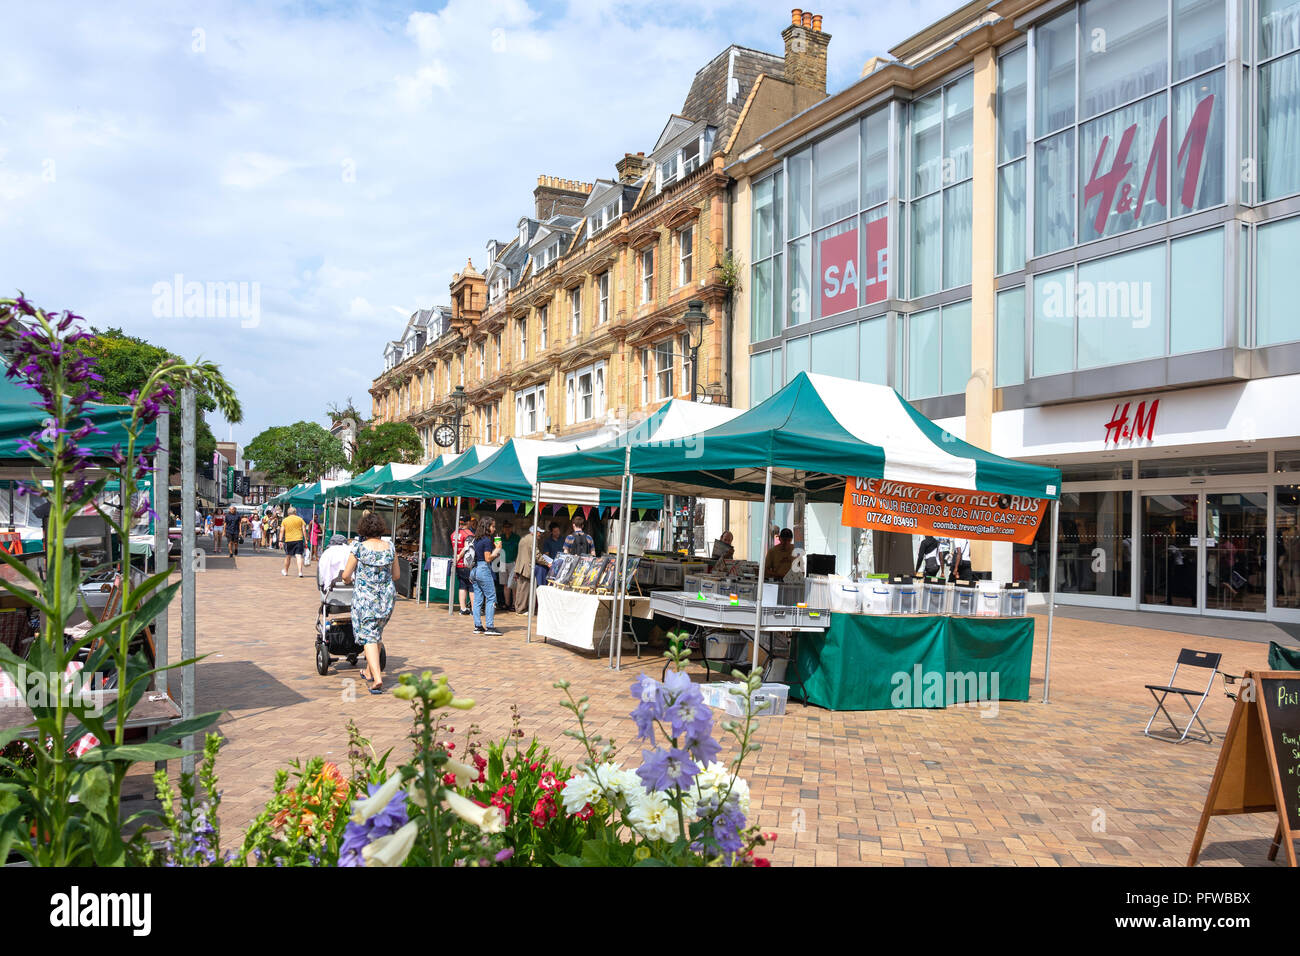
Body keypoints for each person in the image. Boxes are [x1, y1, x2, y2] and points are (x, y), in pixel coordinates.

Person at [340, 511, 399, 695]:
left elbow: (346, 575)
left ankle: (377, 679)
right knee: (376, 632)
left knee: (369, 636)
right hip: (386, 598)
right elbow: (396, 575)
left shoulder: (359, 548)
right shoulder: (390, 547)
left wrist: (348, 580)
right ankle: (368, 671)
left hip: (366, 598)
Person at [469, 516, 503, 636]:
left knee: (478, 599)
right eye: (493, 526)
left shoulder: (477, 539)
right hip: (483, 569)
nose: (494, 528)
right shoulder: (487, 541)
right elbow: (488, 558)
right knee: (491, 598)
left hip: (474, 570)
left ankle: (478, 626)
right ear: (487, 527)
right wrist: (497, 549)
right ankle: (490, 626)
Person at [451, 515, 476, 615]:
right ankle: (474, 610)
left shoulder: (454, 533)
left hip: (458, 565)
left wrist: (456, 558)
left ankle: (463, 608)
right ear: (468, 522)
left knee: (462, 585)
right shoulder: (469, 534)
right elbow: (466, 548)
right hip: (467, 564)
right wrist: (459, 556)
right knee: (472, 586)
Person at [513, 525, 538, 613]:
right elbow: (536, 554)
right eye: (538, 532)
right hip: (526, 568)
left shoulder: (524, 538)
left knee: (520, 589)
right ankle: (521, 609)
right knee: (524, 589)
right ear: (534, 532)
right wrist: (547, 563)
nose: (540, 534)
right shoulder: (532, 539)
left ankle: (518, 608)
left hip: (520, 566)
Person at [498, 519, 520, 612]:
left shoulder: (516, 537)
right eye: (505, 527)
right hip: (502, 562)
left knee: (513, 585)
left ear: (512, 528)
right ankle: (507, 604)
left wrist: (517, 561)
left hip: (513, 562)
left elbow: (520, 550)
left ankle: (514, 604)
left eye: (509, 527)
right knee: (505, 584)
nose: (507, 529)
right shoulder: (500, 537)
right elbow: (496, 549)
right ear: (503, 528)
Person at [280, 505, 308, 577]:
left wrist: (280, 540)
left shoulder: (285, 520)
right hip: (298, 539)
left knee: (288, 556)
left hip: (288, 540)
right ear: (295, 512)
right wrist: (306, 539)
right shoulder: (300, 519)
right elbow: (304, 530)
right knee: (298, 556)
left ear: (288, 513)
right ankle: (300, 572)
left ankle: (285, 571)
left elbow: (281, 531)